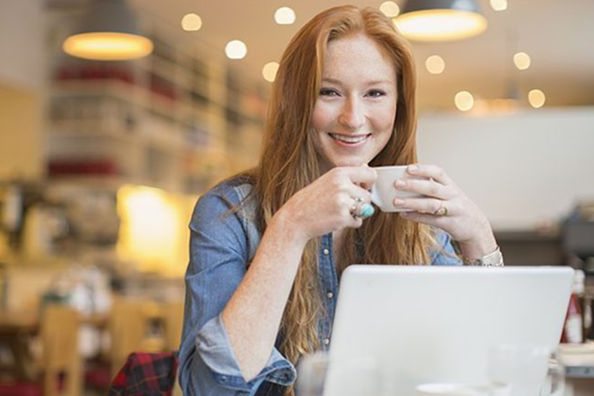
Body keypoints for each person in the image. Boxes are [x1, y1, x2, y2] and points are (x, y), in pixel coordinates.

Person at [178, 5, 503, 396]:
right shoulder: (228, 213)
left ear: (398, 108)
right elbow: (209, 389)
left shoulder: (416, 218)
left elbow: (488, 367)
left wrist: (479, 238)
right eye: (329, 92)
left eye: (375, 93)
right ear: (293, 102)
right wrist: (290, 227)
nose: (353, 117)